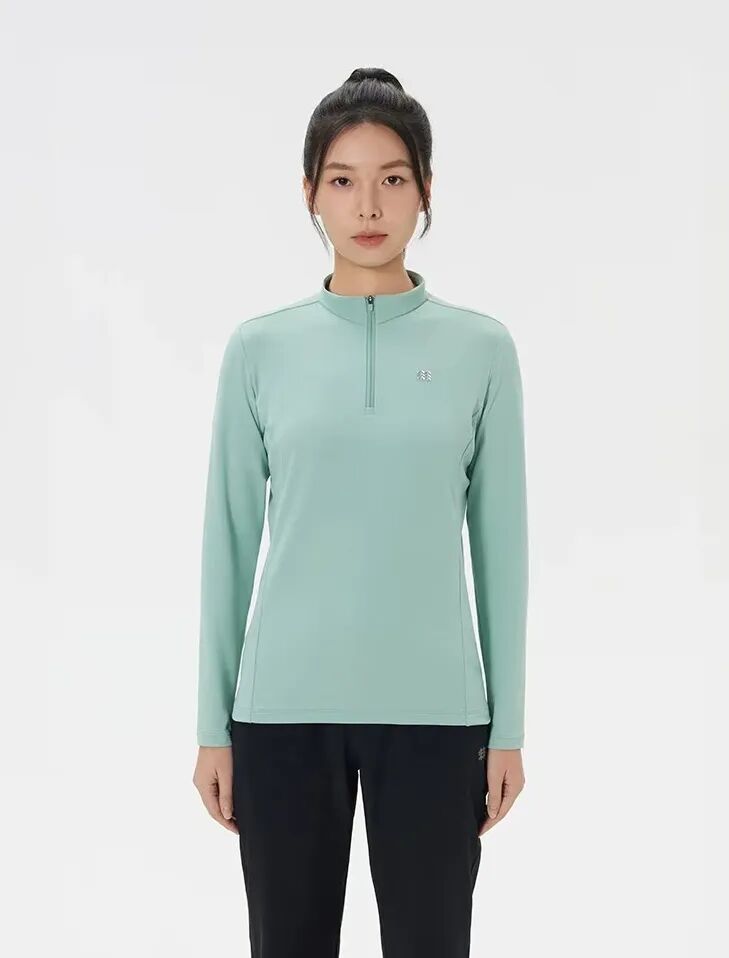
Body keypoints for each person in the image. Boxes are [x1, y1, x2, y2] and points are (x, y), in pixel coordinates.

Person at [192, 66, 529, 958]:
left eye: (392, 178)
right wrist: (211, 727)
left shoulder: (480, 350)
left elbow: (502, 550)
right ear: (309, 191)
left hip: (436, 717)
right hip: (279, 716)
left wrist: (507, 729)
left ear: (426, 190)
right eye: (342, 179)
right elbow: (228, 543)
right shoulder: (260, 350)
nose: (368, 205)